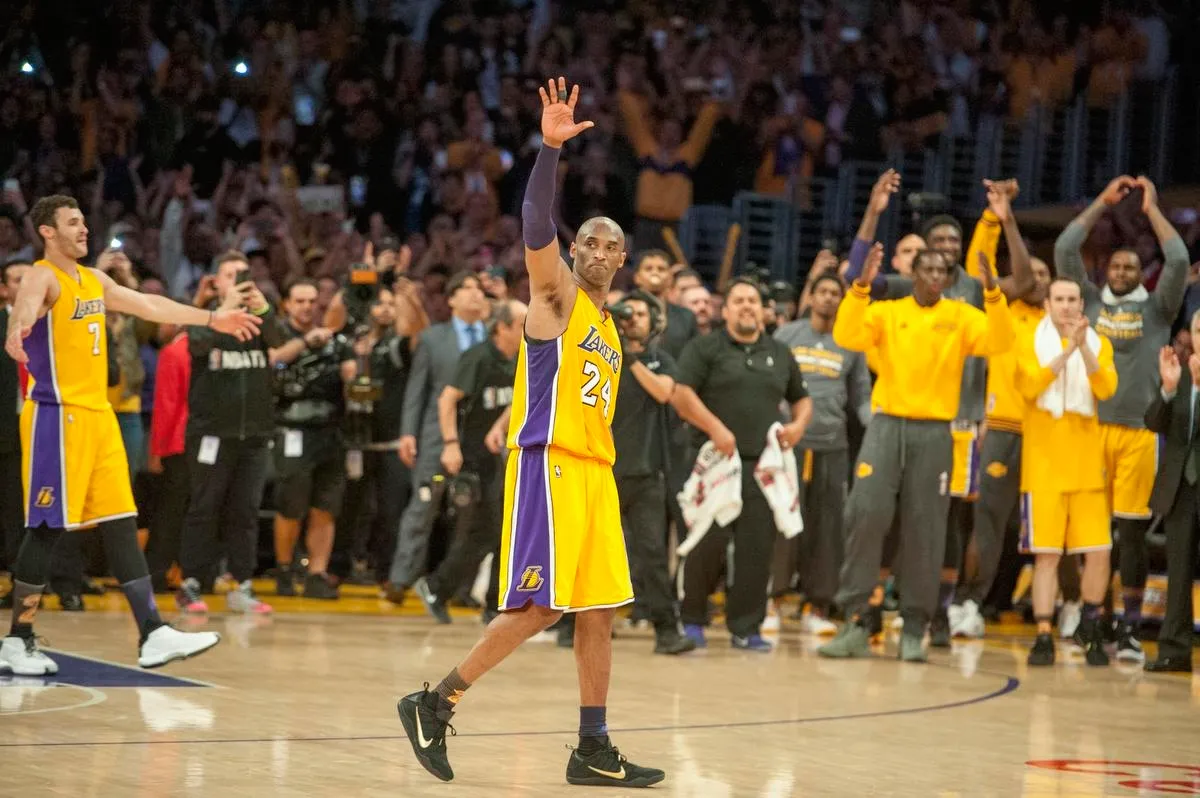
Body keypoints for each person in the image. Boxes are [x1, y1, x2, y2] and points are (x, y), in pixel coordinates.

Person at [397, 77, 664, 788]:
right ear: (575, 251)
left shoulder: (611, 327)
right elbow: (534, 223)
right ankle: (434, 702)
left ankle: (592, 746)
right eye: (588, 241)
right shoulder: (556, 296)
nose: (597, 251)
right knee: (541, 606)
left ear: (623, 260)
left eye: (610, 245)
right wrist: (549, 152)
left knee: (601, 610)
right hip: (551, 463)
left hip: (597, 473)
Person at [0, 194, 260, 675]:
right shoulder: (42, 274)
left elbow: (148, 304)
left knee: (121, 518)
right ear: (47, 232)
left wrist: (211, 317)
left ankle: (152, 632)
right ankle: (18, 638)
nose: (83, 229)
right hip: (56, 414)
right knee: (47, 526)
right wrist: (17, 329)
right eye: (72, 222)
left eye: (83, 221)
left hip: (99, 415)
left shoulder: (94, 280)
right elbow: (26, 306)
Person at [818, 245, 1012, 662]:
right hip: (887, 425)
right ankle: (856, 620)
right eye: (928, 269)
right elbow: (846, 335)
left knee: (927, 528)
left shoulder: (961, 316)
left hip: (935, 431)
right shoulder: (889, 312)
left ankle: (913, 627)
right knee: (866, 515)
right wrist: (860, 287)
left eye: (943, 271)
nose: (936, 276)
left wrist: (993, 292)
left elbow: (1001, 340)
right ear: (913, 274)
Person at [1054, 174, 1188, 662]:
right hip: (1090, 429)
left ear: (1140, 274)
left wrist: (1151, 210)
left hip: (1138, 434)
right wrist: (1101, 203)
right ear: (1106, 269)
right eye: (1116, 265)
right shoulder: (1089, 302)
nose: (1123, 271)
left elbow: (1178, 260)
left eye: (1131, 266)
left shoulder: (1158, 310)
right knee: (1089, 533)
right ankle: (1093, 618)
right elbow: (1065, 249)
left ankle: (1129, 626)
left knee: (1130, 535)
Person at [672, 278, 813, 650]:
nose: (747, 305)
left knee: (757, 548)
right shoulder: (705, 347)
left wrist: (798, 426)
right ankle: (692, 620)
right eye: (739, 300)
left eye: (753, 300)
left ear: (763, 310)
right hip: (714, 462)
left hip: (761, 467)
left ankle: (747, 627)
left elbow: (801, 398)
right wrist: (715, 428)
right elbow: (681, 394)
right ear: (726, 310)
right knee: (706, 542)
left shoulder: (779, 353)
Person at [556, 290, 697, 655]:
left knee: (653, 554)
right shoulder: (600, 357)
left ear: (655, 323)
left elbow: (664, 392)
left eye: (640, 315)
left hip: (645, 474)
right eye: (626, 313)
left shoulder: (659, 360)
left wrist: (628, 355)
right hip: (600, 471)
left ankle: (667, 631)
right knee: (585, 553)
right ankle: (568, 626)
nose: (631, 320)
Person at [175, 251, 286, 615]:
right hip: (211, 433)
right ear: (216, 282)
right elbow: (195, 343)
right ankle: (192, 582)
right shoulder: (206, 317)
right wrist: (222, 309)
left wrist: (264, 308)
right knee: (204, 507)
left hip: (254, 435)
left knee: (245, 512)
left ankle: (242, 584)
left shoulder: (260, 317)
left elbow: (279, 341)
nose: (238, 279)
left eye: (243, 273)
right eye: (230, 274)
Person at [1018, 278, 1118, 667]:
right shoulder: (1029, 340)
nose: (1065, 305)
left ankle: (1090, 629)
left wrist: (1083, 348)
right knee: (1046, 557)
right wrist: (1066, 351)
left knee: (1099, 552)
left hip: (1087, 466)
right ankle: (1044, 634)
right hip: (1042, 466)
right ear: (1046, 304)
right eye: (1058, 299)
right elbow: (1030, 386)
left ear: (1081, 304)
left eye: (1072, 299)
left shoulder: (1099, 343)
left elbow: (1106, 388)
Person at [412, 299, 525, 624]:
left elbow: (519, 398)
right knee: (487, 530)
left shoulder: (520, 359)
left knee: (503, 531)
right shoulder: (478, 357)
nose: (527, 330)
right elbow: (447, 400)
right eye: (521, 324)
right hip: (473, 457)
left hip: (504, 458)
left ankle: (489, 602)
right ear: (502, 327)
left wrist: (500, 426)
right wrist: (450, 444)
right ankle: (440, 587)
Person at [773, 271, 871, 634]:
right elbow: (772, 386)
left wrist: (879, 428)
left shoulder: (851, 343)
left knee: (828, 529)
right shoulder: (787, 336)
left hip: (833, 446)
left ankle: (818, 606)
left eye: (835, 293)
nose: (829, 297)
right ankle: (773, 600)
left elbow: (861, 398)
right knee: (783, 523)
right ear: (811, 297)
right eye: (823, 291)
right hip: (789, 445)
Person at [386, 271, 488, 599]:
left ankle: (457, 586)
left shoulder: (495, 335)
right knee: (423, 505)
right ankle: (401, 578)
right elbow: (417, 388)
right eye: (467, 288)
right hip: (434, 434)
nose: (475, 294)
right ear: (451, 299)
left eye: (479, 289)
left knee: (471, 512)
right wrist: (408, 433)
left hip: (479, 435)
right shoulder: (433, 337)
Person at [268, 279, 357, 599]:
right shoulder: (277, 333)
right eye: (300, 301)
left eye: (311, 302)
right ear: (287, 304)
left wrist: (354, 371)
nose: (306, 307)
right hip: (292, 427)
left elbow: (352, 377)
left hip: (331, 430)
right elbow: (274, 360)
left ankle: (317, 572)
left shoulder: (337, 341)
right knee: (291, 505)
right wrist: (306, 342)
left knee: (325, 506)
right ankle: (284, 568)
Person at [1142, 333, 1200, 673]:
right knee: (1178, 572)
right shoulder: (1178, 374)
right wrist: (1167, 389)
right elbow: (1153, 422)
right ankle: (1174, 651)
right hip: (1180, 488)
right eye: (1199, 331)